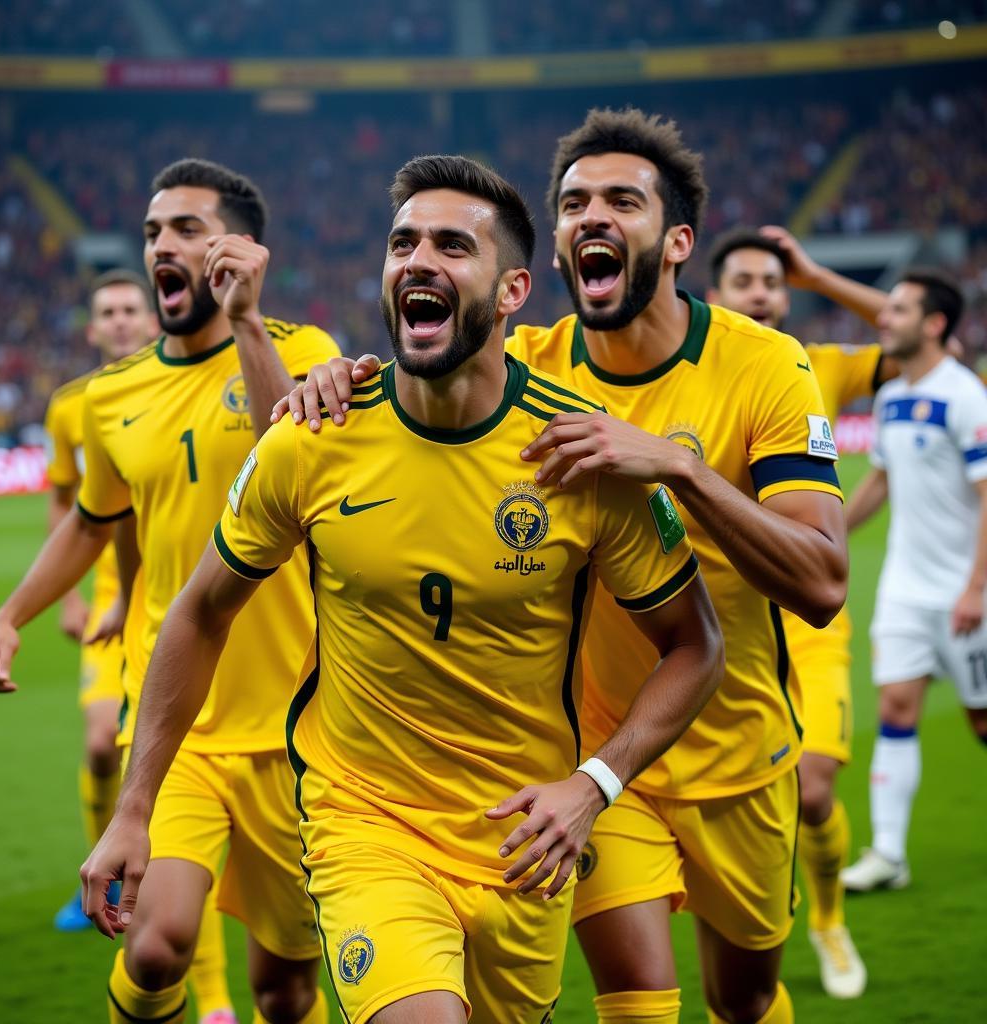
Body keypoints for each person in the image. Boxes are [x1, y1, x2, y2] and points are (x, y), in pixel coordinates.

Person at [81, 153, 724, 1024]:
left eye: (454, 246)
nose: (419, 261)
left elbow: (695, 646)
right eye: (402, 243)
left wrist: (594, 785)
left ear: (511, 292)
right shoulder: (314, 438)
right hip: (365, 823)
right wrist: (134, 807)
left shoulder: (586, 457)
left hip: (522, 841)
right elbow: (200, 611)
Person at [278, 110, 850, 1024]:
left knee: (743, 1000)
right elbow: (414, 385)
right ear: (544, 261)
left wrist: (682, 467)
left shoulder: (766, 368)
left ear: (676, 242)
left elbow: (822, 584)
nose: (592, 217)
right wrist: (330, 379)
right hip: (591, 761)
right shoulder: (526, 367)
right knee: (638, 1003)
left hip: (737, 745)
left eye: (622, 200)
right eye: (574, 202)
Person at [0, 158, 340, 1024]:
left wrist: (247, 324)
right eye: (151, 232)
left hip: (296, 726)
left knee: (284, 990)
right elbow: (92, 521)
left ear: (242, 250)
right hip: (175, 721)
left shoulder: (304, 352)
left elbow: (286, 469)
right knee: (156, 943)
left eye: (186, 228)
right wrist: (11, 613)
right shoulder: (113, 394)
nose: (161, 246)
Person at [705, 226, 889, 999]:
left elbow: (914, 333)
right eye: (744, 280)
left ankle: (829, 920)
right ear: (713, 294)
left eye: (773, 283)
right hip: (721, 631)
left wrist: (820, 276)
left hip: (810, 628)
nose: (761, 293)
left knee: (814, 791)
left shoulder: (817, 363)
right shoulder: (694, 367)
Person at [840, 269, 987, 892]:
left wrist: (976, 588)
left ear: (933, 325)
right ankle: (889, 855)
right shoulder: (892, 395)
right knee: (898, 707)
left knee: (982, 722)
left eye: (898, 310)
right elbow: (880, 479)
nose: (884, 318)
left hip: (966, 591)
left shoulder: (966, 396)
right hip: (905, 589)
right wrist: (827, 537)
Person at [44, 269, 158, 934]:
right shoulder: (70, 407)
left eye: (128, 309)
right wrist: (64, 597)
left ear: (148, 322)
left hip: (171, 594)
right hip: (113, 598)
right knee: (98, 746)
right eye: (106, 312)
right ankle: (102, 880)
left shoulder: (180, 388)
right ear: (92, 329)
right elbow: (65, 498)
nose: (118, 321)